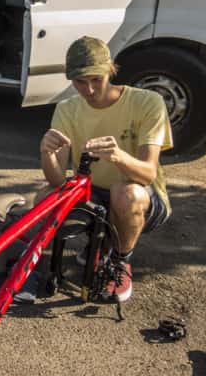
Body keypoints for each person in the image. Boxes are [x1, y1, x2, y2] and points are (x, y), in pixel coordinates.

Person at [39, 36, 172, 303]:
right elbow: (55, 180)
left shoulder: (148, 102)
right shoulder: (67, 109)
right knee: (43, 198)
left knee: (126, 193)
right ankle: (91, 247)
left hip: (141, 195)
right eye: (79, 81)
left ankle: (121, 262)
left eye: (95, 79)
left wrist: (119, 157)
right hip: (92, 193)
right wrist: (46, 152)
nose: (88, 89)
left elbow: (147, 174)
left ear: (110, 70)